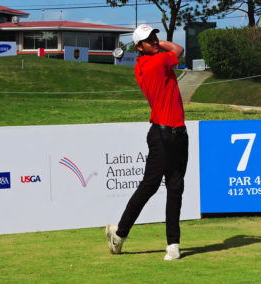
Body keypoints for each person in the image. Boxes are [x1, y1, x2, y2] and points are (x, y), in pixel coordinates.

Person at [106, 24, 188, 261]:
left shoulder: (147, 62)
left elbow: (172, 51)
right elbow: (179, 48)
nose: (154, 40)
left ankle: (173, 244)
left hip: (178, 132)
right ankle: (119, 235)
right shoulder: (155, 62)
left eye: (155, 36)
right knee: (149, 186)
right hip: (161, 135)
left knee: (175, 189)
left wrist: (151, 42)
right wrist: (159, 44)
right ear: (139, 46)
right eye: (148, 39)